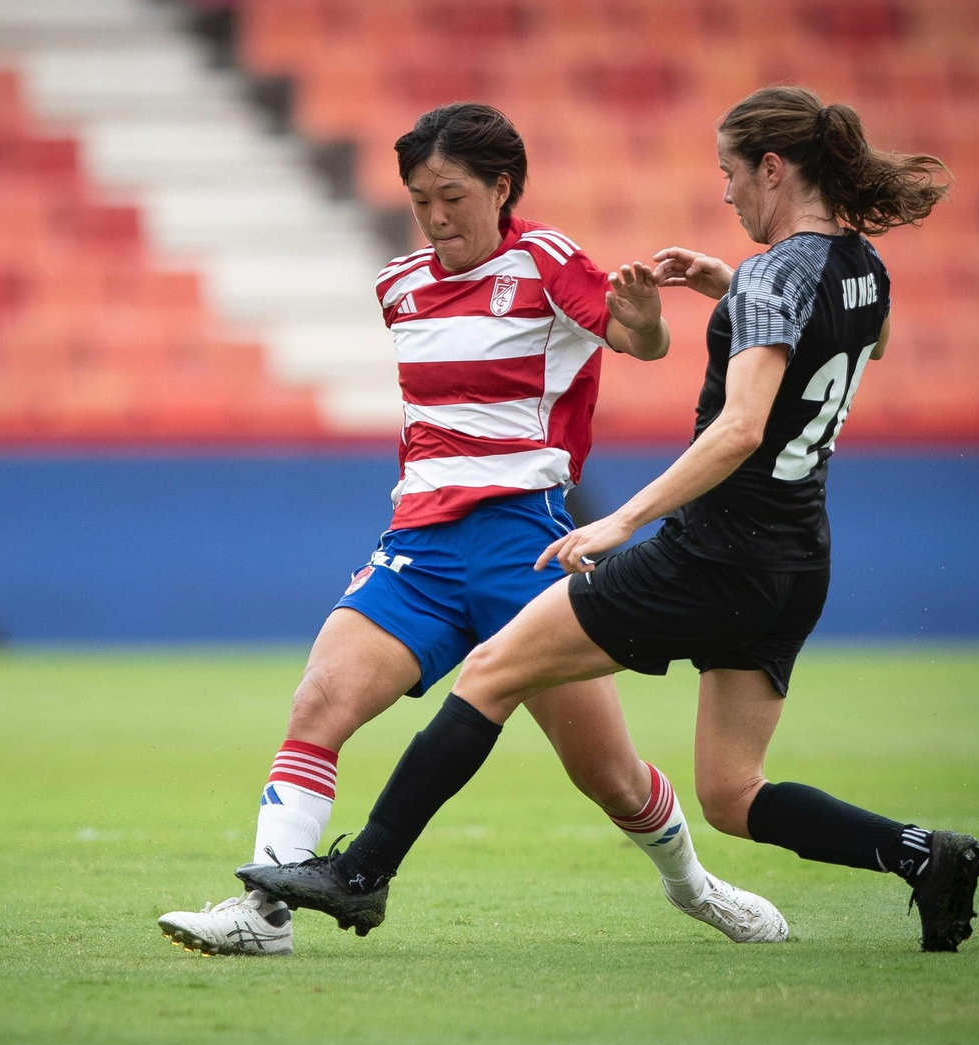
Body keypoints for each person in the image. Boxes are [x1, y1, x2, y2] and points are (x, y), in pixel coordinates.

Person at [240, 86, 979, 953]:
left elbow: (740, 428)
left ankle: (359, 874)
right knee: (733, 795)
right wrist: (734, 289)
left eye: (731, 174)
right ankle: (921, 854)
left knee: (488, 674)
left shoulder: (769, 275)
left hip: (711, 553)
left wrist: (618, 521)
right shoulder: (861, 267)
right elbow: (867, 342)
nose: (726, 194)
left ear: (773, 170)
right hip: (796, 561)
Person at [159, 104, 787, 956]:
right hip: (418, 548)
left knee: (608, 775)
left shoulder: (547, 261)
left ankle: (694, 886)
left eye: (451, 195)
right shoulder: (400, 287)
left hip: (523, 548)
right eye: (420, 199)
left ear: (501, 188)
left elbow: (636, 342)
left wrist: (640, 313)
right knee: (319, 703)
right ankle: (265, 916)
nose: (436, 216)